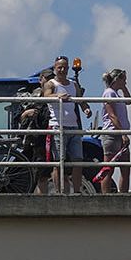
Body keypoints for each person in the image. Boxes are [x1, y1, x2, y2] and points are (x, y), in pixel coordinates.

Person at [43, 56, 91, 195]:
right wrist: (57, 97)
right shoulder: (51, 84)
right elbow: (45, 96)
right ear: (55, 68)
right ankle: (59, 192)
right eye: (60, 67)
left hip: (73, 126)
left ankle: (76, 192)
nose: (62, 70)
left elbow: (81, 100)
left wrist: (86, 109)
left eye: (65, 67)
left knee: (78, 161)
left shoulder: (73, 84)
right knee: (59, 162)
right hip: (57, 126)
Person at [97, 68, 131, 193]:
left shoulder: (117, 94)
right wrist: (122, 133)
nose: (126, 82)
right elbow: (112, 115)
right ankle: (105, 195)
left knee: (126, 169)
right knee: (109, 169)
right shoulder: (109, 93)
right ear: (118, 79)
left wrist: (123, 88)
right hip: (112, 134)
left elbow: (129, 101)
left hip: (121, 134)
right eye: (124, 80)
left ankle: (123, 195)